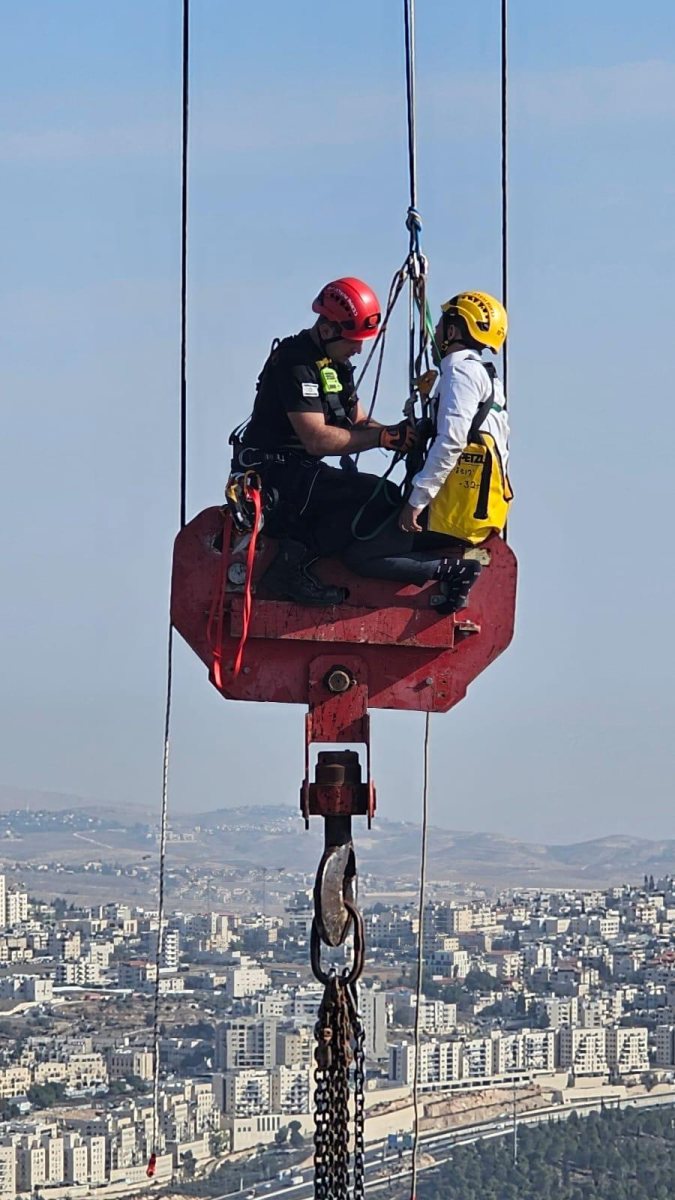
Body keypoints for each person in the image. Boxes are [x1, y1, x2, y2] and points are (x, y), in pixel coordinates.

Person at [234, 276, 417, 605]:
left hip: (302, 472)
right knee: (367, 497)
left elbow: (359, 421)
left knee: (385, 494)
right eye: (354, 340)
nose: (359, 348)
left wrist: (399, 434)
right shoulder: (295, 362)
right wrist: (380, 438)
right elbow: (316, 439)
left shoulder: (335, 365)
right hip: (274, 477)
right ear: (328, 329)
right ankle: (288, 569)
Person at [398, 291, 511, 613]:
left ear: (451, 332)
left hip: (451, 514)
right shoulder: (485, 375)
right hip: (475, 509)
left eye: (441, 327)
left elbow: (451, 441)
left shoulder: (460, 373)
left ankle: (453, 575)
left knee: (365, 550)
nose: (434, 335)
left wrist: (416, 500)